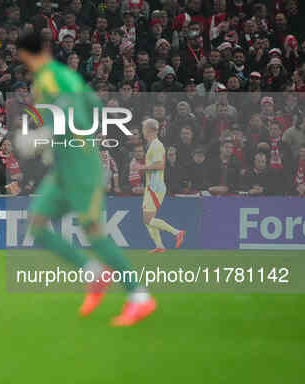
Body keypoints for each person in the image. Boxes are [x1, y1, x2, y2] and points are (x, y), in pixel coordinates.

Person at [16, 31, 155, 327]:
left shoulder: (49, 78)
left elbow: (70, 110)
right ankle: (93, 273)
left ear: (25, 55)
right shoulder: (67, 76)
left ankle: (140, 297)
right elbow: (92, 106)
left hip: (81, 166)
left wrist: (45, 136)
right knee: (37, 224)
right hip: (64, 167)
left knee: (93, 230)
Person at [139, 119, 186, 253]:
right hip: (151, 186)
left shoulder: (157, 146)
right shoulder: (152, 145)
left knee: (148, 219)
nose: (142, 132)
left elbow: (160, 165)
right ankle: (159, 246)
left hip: (156, 187)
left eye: (143, 129)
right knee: (147, 219)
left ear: (150, 130)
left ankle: (177, 232)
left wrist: (141, 167)